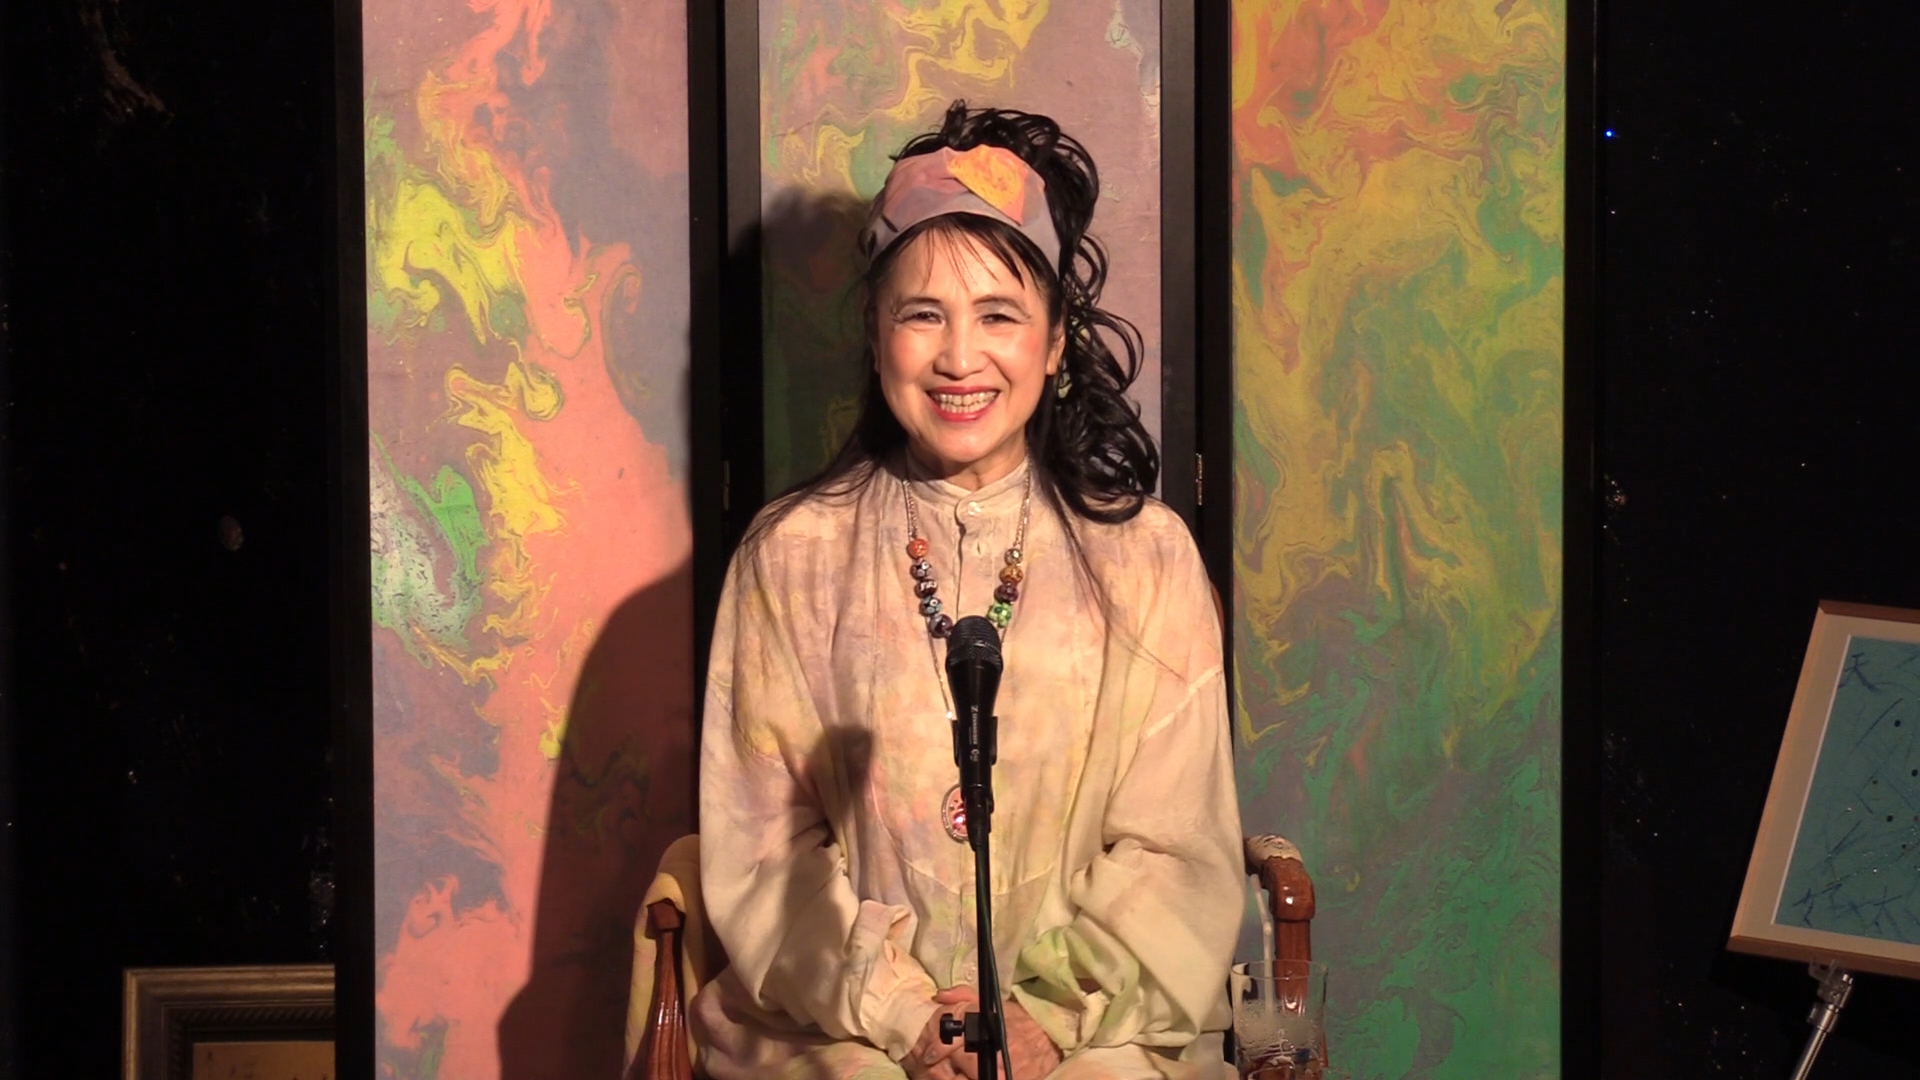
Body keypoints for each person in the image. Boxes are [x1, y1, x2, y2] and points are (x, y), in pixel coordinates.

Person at [695, 102, 1243, 1080]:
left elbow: (1174, 849)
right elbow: (766, 847)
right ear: (875, 337)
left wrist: (1042, 1018)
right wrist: (903, 1013)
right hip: (843, 1029)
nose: (959, 357)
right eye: (922, 315)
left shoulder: (1148, 560)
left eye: (998, 315)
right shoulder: (790, 559)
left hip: (1090, 1031)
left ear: (1056, 340)